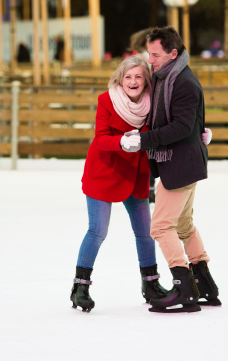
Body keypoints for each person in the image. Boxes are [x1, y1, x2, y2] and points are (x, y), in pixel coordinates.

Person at [123, 26, 217, 313]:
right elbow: (191, 121)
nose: (150, 60)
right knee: (184, 225)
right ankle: (205, 284)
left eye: (155, 54)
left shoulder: (183, 82)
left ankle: (184, 288)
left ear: (173, 53)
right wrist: (201, 131)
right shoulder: (168, 77)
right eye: (148, 53)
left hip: (180, 164)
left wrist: (143, 140)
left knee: (162, 226)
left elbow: (181, 126)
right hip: (183, 162)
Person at [70, 57, 170, 313]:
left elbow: (170, 128)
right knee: (98, 231)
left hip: (135, 174)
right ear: (120, 79)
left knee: (145, 232)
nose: (133, 81)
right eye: (128, 77)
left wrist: (198, 135)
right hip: (104, 172)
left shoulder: (152, 104)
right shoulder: (107, 100)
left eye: (138, 77)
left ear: (146, 81)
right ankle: (80, 287)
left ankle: (151, 284)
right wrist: (121, 143)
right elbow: (100, 138)